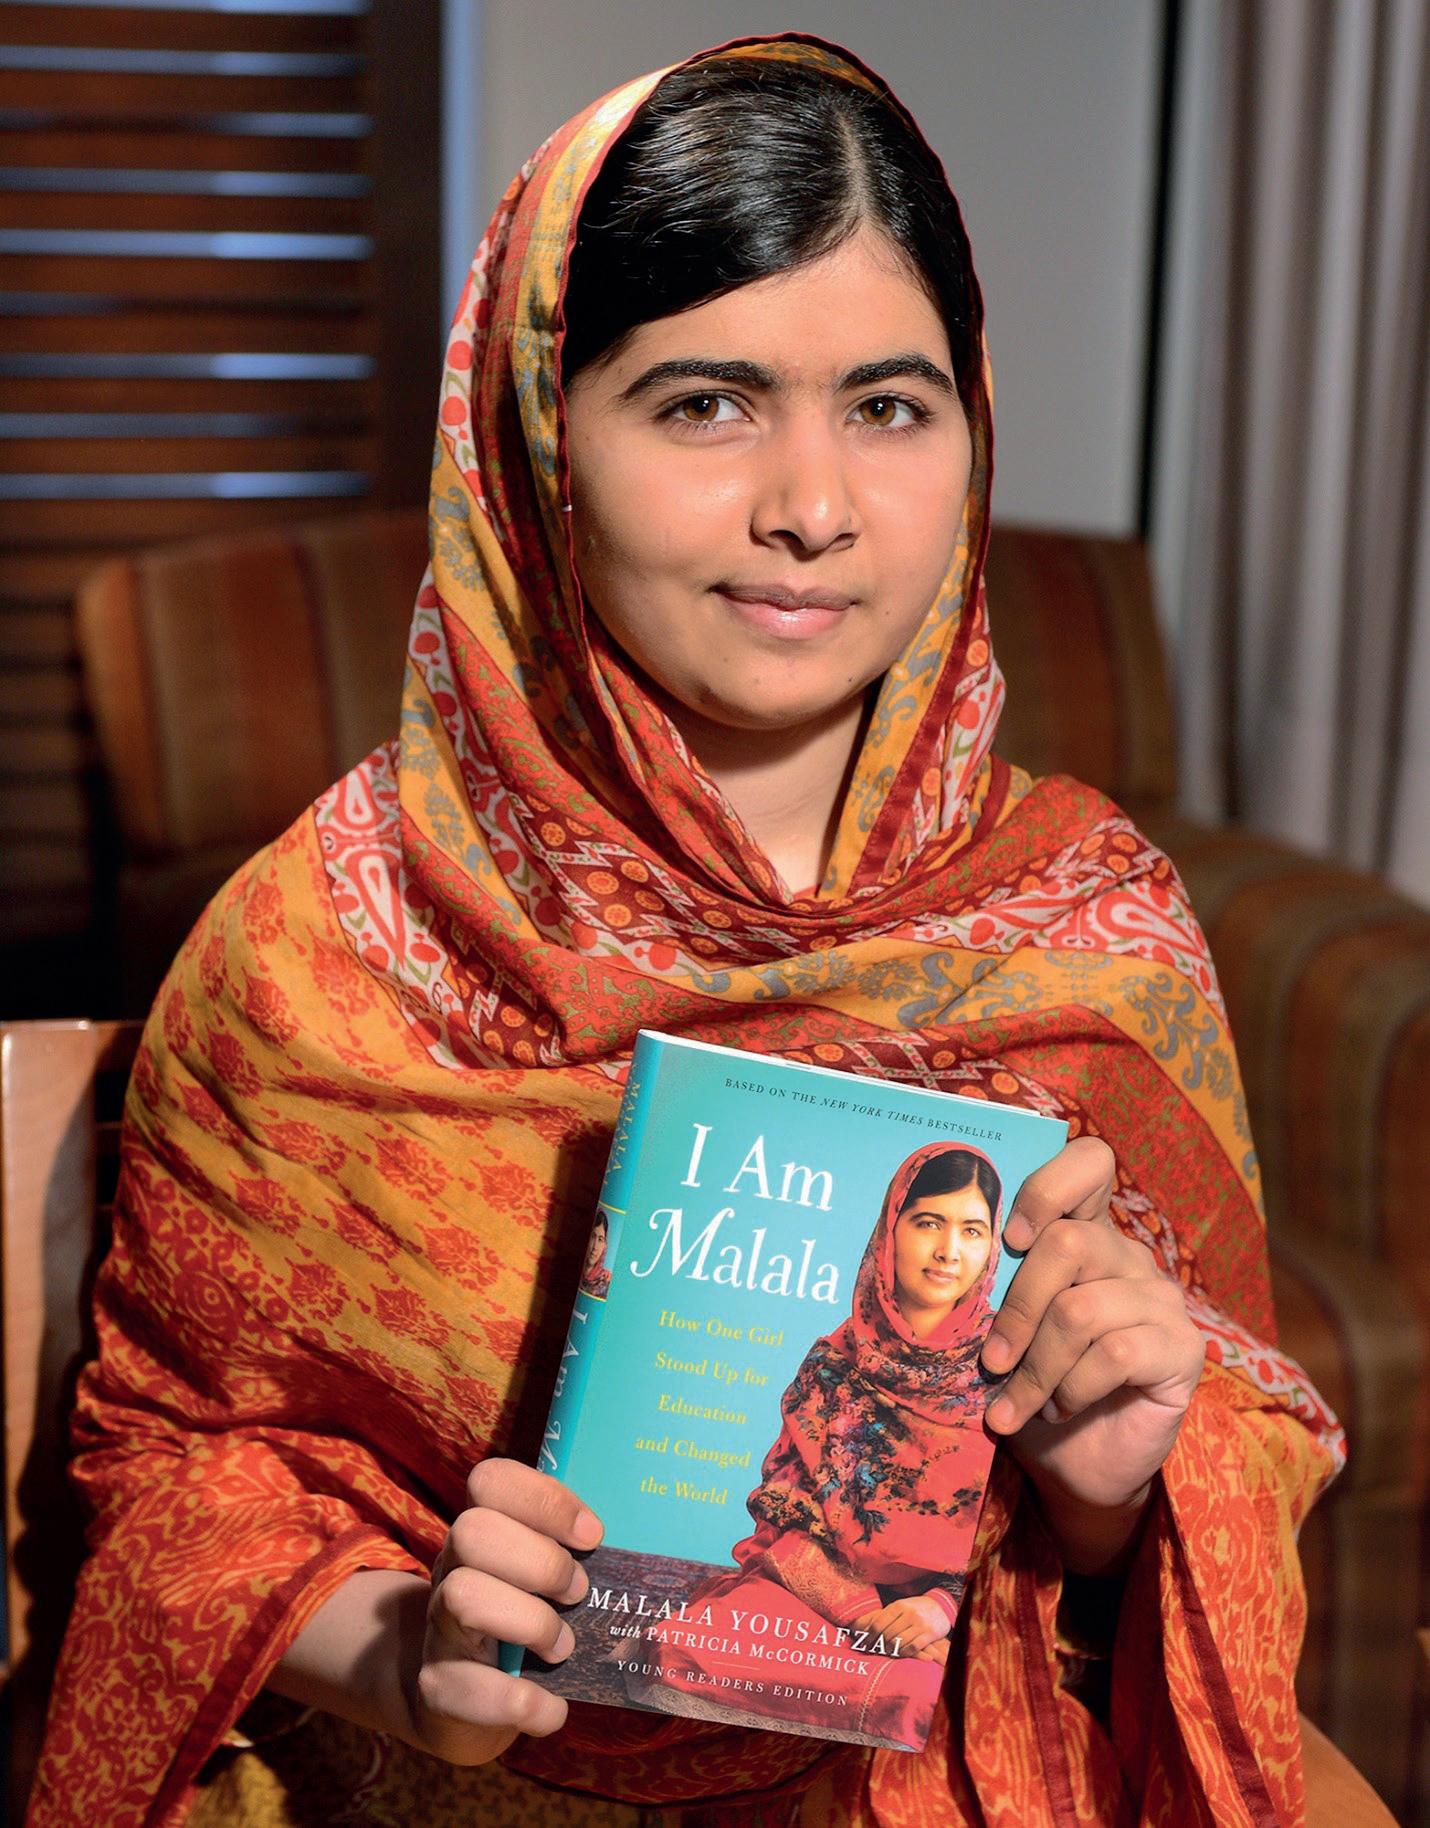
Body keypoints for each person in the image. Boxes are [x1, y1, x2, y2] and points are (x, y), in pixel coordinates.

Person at [29, 35, 1343, 1828]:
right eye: (705, 403)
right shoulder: (320, 942)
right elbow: (177, 1473)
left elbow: (1201, 1489)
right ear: (538, 441)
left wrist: (1110, 1491)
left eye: (889, 406)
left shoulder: (1093, 925)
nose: (811, 506)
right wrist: (411, 1652)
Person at [628, 1143, 1003, 1749]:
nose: (948, 1251)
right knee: (687, 1646)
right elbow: (787, 1513)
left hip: (950, 1611)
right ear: (890, 1231)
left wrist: (938, 1608)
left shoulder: (1007, 1369)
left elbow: (1017, 1528)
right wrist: (867, 1620)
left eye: (972, 1231)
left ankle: (904, 1684)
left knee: (925, 1694)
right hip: (832, 1602)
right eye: (928, 1223)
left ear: (991, 1247)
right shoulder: (833, 1365)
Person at [578, 1209, 613, 1300]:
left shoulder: (606, 1281)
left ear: (605, 1245)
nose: (595, 1247)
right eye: (593, 1236)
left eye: (600, 1239)